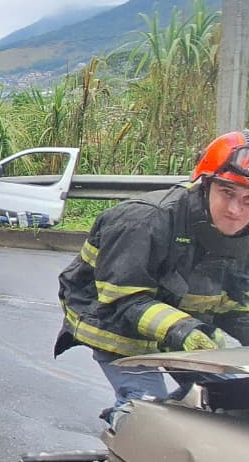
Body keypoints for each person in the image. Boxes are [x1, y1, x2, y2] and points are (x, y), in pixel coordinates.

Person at [54, 130, 249, 424]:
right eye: (227, 192)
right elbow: (123, 300)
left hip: (186, 325)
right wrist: (186, 332)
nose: (235, 210)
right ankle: (127, 424)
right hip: (117, 325)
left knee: (238, 398)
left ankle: (183, 408)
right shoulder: (144, 220)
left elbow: (237, 305)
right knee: (150, 417)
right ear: (205, 183)